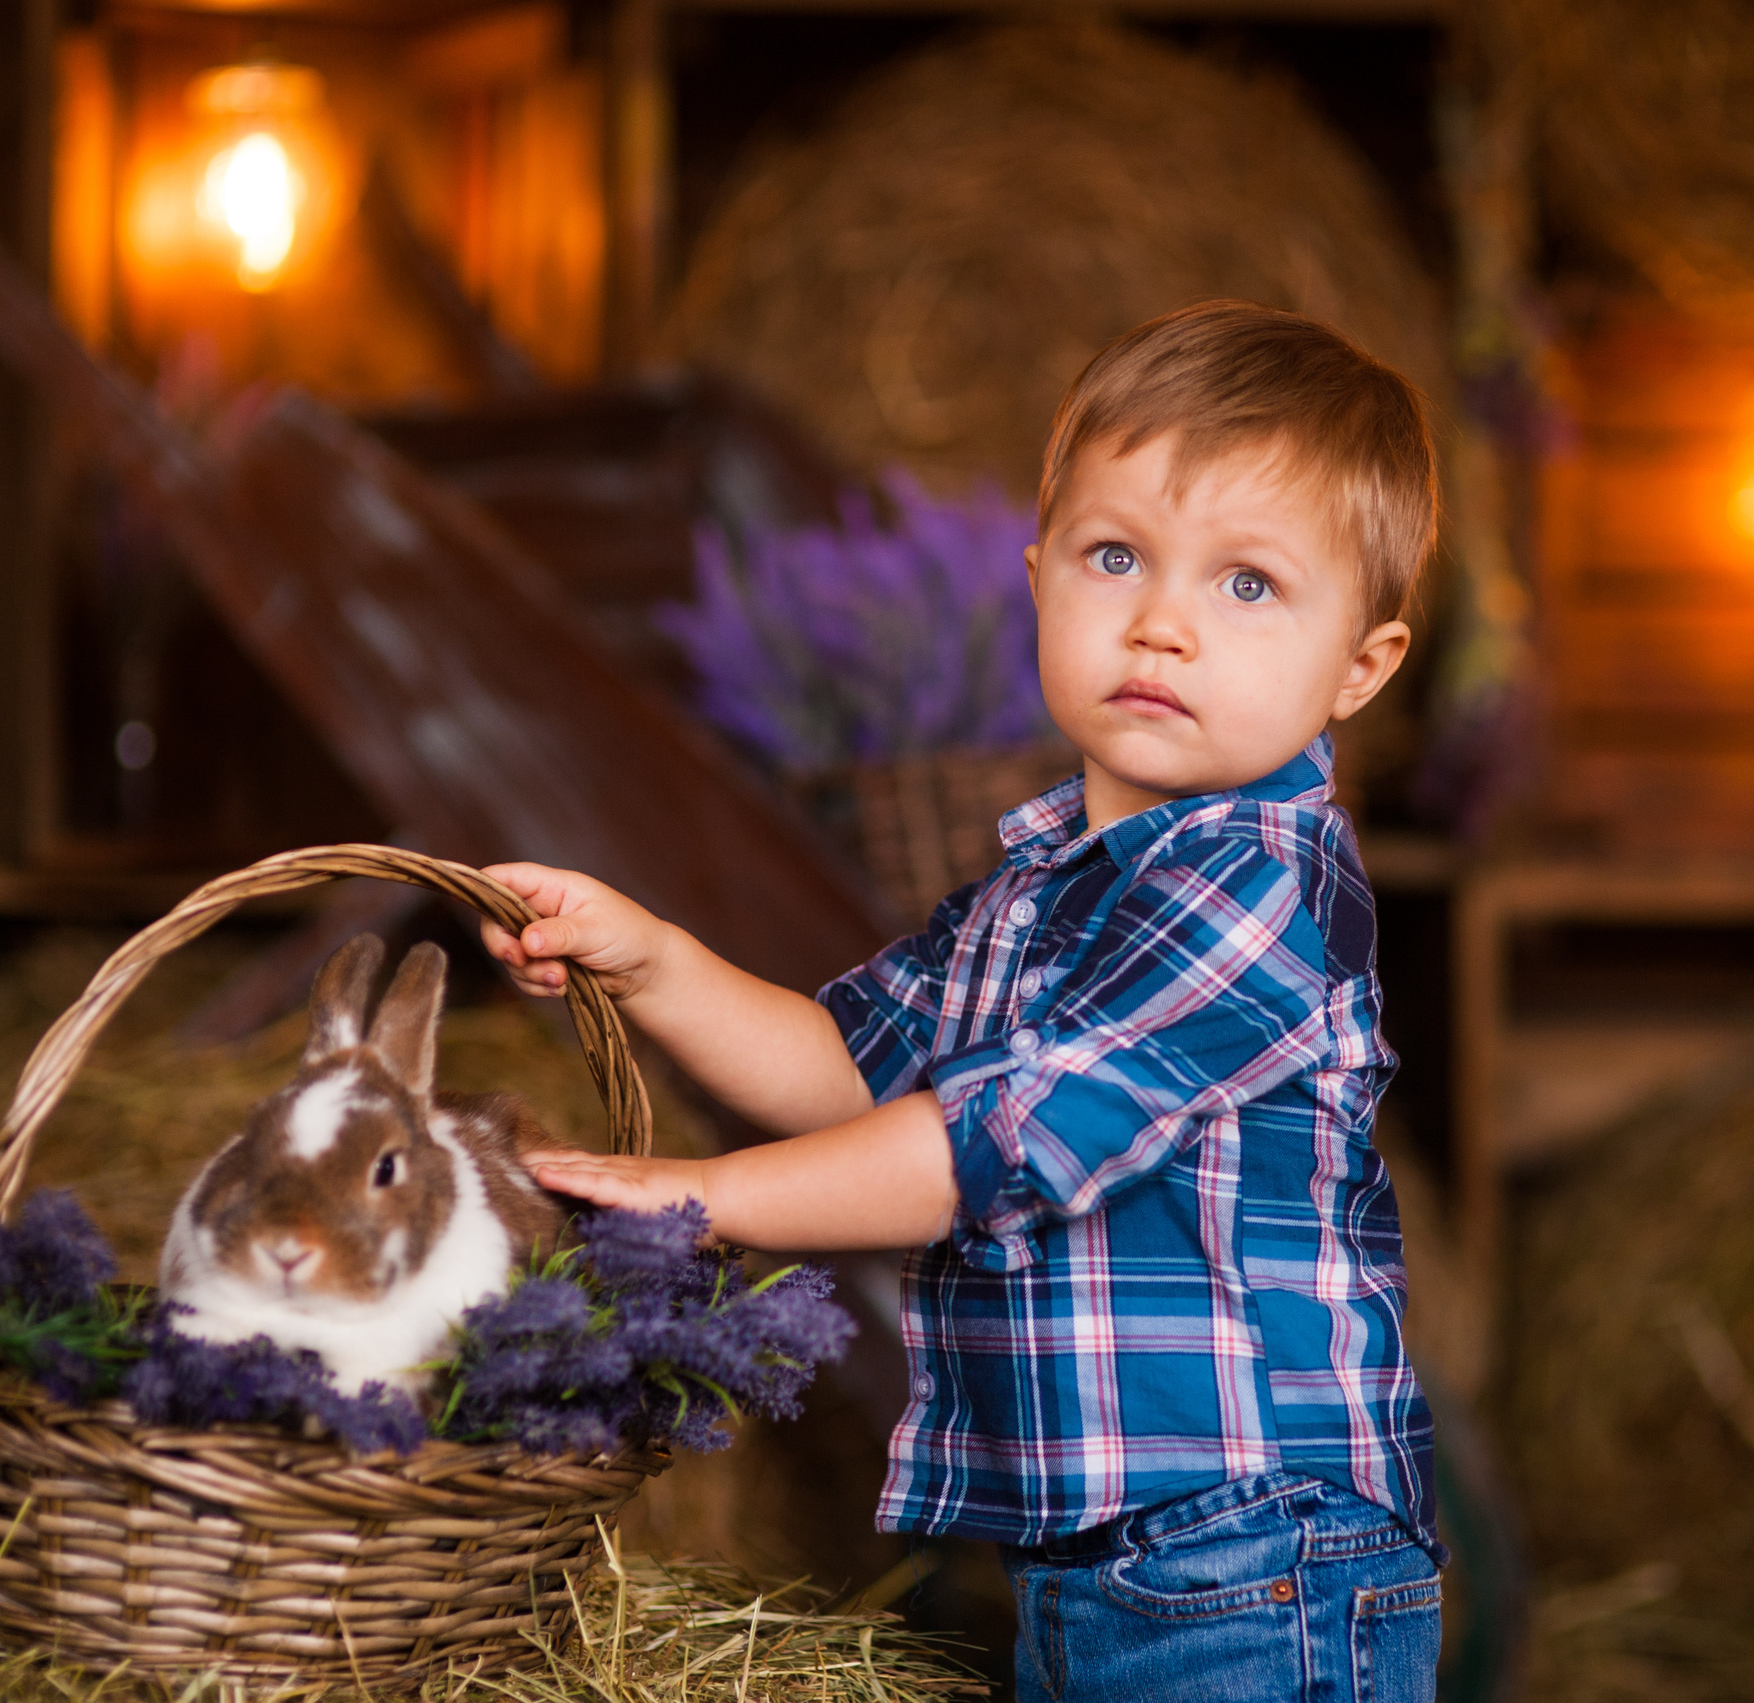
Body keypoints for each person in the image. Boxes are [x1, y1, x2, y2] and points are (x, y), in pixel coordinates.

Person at [481, 300, 1443, 1702]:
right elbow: (844, 1066)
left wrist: (701, 1199)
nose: (1162, 623)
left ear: (1361, 664)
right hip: (1105, 1563)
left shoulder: (1262, 882)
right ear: (1041, 582)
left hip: (1260, 1553)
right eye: (1116, 558)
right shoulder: (1036, 890)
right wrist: (655, 965)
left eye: (1248, 585)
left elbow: (994, 1143)